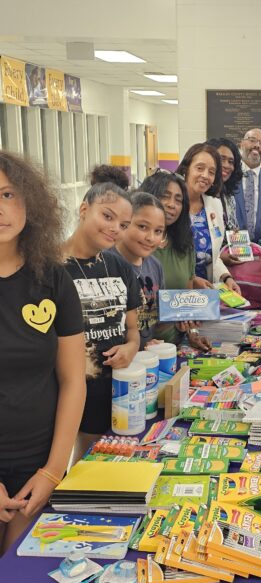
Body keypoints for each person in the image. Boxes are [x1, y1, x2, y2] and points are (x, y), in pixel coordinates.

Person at [0, 151, 86, 554]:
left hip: (39, 460)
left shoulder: (52, 278)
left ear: (30, 201)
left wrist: (53, 471)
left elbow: (72, 381)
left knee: (20, 577)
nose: (1, 209)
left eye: (8, 194)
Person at [64, 182, 142, 461]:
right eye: (107, 216)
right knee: (53, 470)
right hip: (59, 391)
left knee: (86, 466)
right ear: (84, 209)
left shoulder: (118, 266)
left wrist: (131, 348)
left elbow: (132, 330)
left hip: (106, 391)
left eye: (123, 225)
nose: (114, 229)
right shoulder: (52, 266)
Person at [139, 170, 210, 351]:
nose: (172, 205)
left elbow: (186, 300)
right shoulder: (137, 245)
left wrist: (192, 332)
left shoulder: (184, 245)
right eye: (165, 197)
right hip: (140, 348)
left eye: (178, 200)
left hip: (173, 346)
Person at [176, 143, 241, 294]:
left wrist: (226, 278)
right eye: (199, 168)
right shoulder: (172, 204)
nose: (205, 175)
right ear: (186, 169)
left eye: (212, 172)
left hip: (207, 294)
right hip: (176, 293)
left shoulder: (215, 206)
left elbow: (212, 256)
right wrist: (191, 280)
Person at [110, 191, 166, 349]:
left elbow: (154, 322)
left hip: (142, 364)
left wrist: (182, 322)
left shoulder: (155, 266)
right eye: (142, 227)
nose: (150, 238)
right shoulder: (105, 263)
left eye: (158, 231)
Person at [206, 137, 243, 232]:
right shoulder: (198, 195)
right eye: (221, 159)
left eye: (231, 162)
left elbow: (234, 232)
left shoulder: (229, 198)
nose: (227, 165)